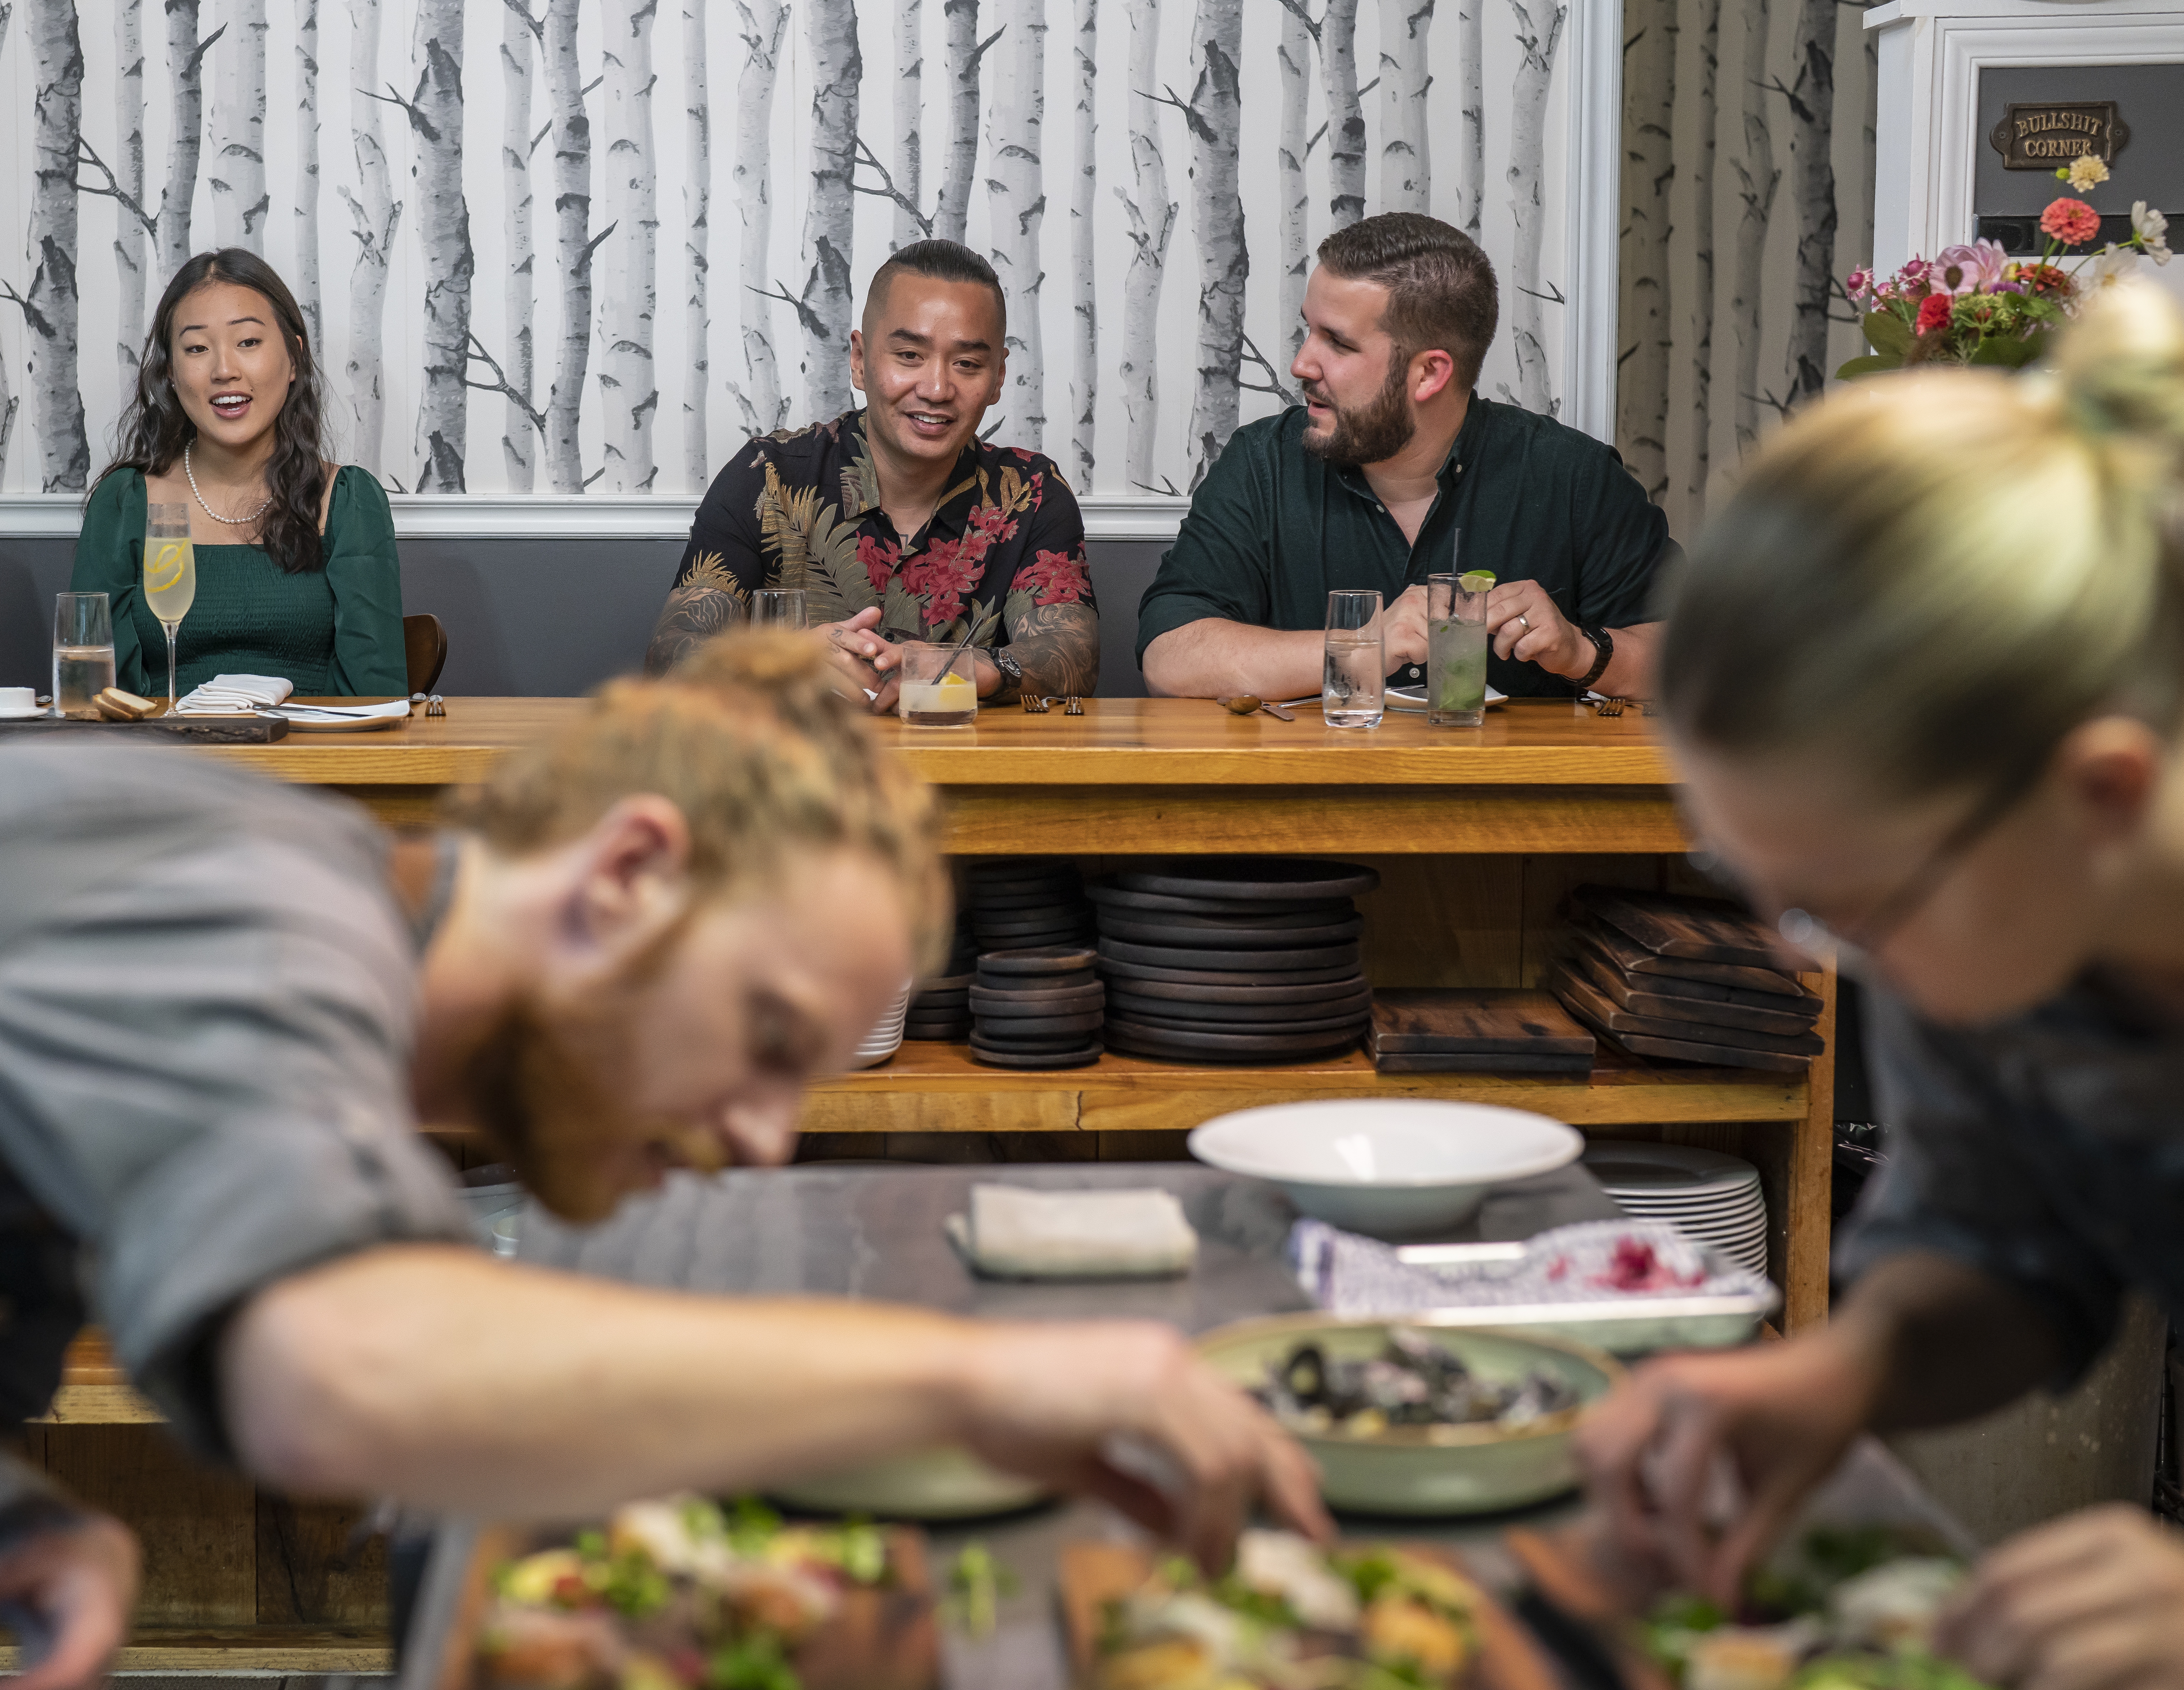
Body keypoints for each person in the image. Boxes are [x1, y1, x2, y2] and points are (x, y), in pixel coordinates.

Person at [0, 630, 1324, 1690]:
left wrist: (17, 1530)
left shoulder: (266, 1021)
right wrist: (988, 1374)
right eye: (758, 1041)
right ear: (626, 872)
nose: (759, 1132)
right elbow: (345, 1377)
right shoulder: (249, 899)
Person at [1576, 284, 2184, 1690]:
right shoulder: (1992, 888)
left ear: (2101, 793)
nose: (1809, 948)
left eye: (1844, 902)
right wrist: (1842, 1369)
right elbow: (2000, 1237)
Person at [1137, 214, 1669, 702]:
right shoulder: (1260, 466)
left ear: (1429, 374)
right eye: (1309, 330)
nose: (1301, 363)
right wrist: (1363, 644)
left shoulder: (1573, 476)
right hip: (1307, 795)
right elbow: (1171, 654)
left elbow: (1693, 663)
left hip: (1517, 800)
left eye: (1338, 343)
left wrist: (1582, 652)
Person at [645, 239, 1098, 708]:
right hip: (791, 773)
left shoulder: (1031, 492)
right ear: (860, 361)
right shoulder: (766, 477)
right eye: (909, 356)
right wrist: (787, 658)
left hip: (968, 771)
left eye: (967, 364)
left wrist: (960, 667)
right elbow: (671, 659)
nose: (938, 388)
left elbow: (1073, 656)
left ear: (999, 377)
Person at [70, 248, 404, 700]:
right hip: (161, 764)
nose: (225, 370)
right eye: (196, 349)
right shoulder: (124, 501)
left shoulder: (347, 499)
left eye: (248, 343)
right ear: (171, 372)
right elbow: (99, 698)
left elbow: (375, 699)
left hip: (310, 765)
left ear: (293, 358)